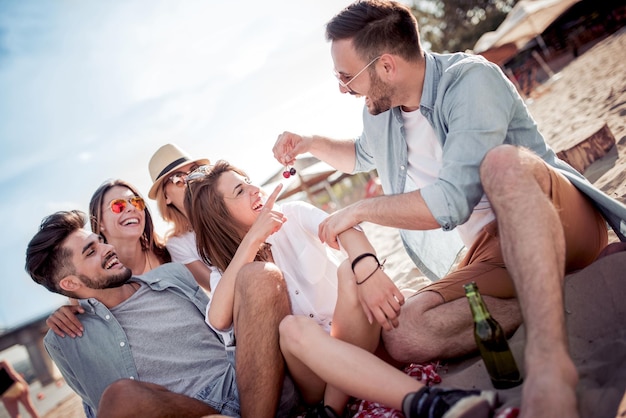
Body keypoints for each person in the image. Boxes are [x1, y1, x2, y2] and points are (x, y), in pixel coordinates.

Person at [271, 2, 626, 418]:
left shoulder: (470, 81)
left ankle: (551, 367)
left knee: (502, 165)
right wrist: (310, 142)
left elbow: (451, 202)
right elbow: (360, 155)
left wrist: (361, 210)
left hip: (556, 218)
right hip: (492, 253)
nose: (342, 89)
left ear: (386, 66)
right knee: (405, 335)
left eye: (346, 77)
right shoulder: (381, 116)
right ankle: (551, 292)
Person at [25, 210, 297, 418]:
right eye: (91, 251)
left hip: (248, 383)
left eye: (101, 242)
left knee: (260, 275)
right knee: (120, 397)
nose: (107, 248)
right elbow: (100, 407)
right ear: (70, 284)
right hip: (194, 413)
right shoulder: (64, 339)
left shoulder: (172, 275)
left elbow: (222, 325)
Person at [185, 160, 404, 415]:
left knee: (350, 271)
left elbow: (346, 230)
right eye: (240, 191)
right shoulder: (225, 270)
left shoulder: (294, 213)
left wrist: (369, 269)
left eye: (247, 182)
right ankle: (336, 400)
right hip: (312, 371)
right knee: (292, 328)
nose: (254, 189)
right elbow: (218, 319)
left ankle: (331, 409)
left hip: (359, 334)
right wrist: (254, 237)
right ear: (220, 216)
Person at [46, 179, 171, 338]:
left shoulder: (168, 252)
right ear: (100, 222)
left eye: (137, 202)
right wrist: (63, 314)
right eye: (118, 206)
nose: (132, 208)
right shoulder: (92, 277)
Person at [147, 143, 219, 293]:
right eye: (178, 179)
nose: (189, 181)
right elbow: (218, 289)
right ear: (165, 196)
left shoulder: (234, 203)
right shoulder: (178, 244)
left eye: (193, 171)